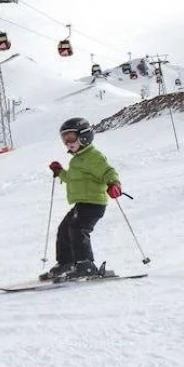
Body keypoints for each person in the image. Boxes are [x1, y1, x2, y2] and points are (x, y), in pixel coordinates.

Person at [40, 116, 121, 281]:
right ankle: (66, 263)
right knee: (64, 230)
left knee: (78, 230)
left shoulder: (94, 157)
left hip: (94, 204)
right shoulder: (77, 160)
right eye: (64, 138)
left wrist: (114, 184)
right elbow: (71, 178)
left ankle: (86, 265)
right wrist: (60, 172)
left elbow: (108, 171)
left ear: (84, 135)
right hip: (82, 204)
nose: (67, 142)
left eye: (70, 136)